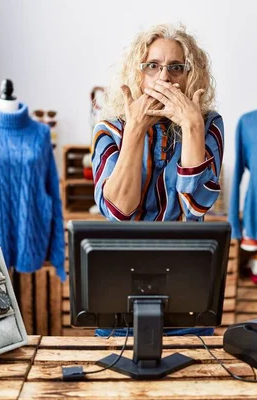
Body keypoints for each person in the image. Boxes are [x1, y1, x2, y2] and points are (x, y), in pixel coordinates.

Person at [91, 24, 224, 336]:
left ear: (191, 76)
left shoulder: (208, 125)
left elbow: (196, 208)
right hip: (121, 281)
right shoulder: (109, 129)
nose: (164, 78)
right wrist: (135, 130)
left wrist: (192, 126)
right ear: (138, 74)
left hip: (188, 280)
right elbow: (119, 213)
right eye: (153, 66)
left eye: (176, 68)